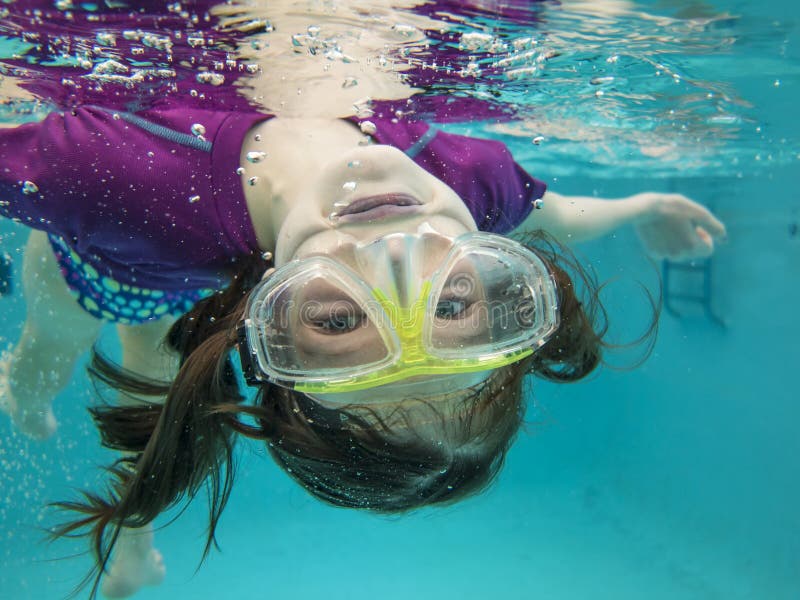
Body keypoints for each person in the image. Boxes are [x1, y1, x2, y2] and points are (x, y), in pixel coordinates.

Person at [0, 101, 725, 597]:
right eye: (449, 305)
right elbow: (562, 217)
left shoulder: (113, 176)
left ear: (268, 322)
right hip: (198, 262)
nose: (393, 259)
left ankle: (31, 406)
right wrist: (643, 207)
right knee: (154, 382)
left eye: (340, 323)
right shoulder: (465, 185)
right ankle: (133, 543)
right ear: (493, 267)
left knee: (51, 368)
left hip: (110, 270)